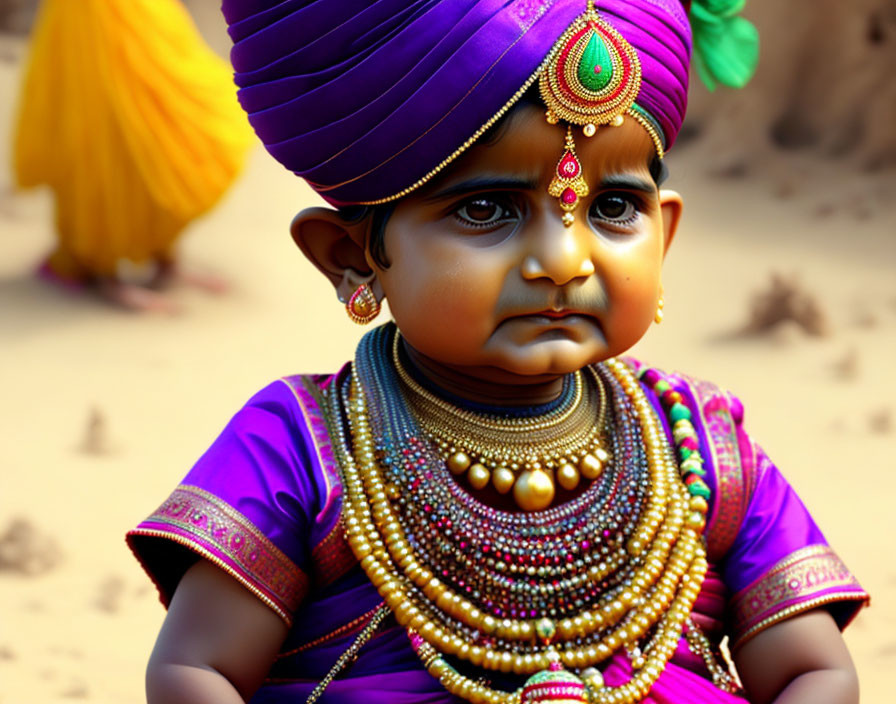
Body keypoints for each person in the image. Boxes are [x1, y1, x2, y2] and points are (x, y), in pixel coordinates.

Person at [127, 1, 869, 702]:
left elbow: (813, 672)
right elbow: (197, 669)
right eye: (486, 209)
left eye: (613, 208)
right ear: (349, 257)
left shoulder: (703, 447)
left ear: (665, 234)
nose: (564, 259)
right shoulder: (304, 446)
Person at [12, 0, 253, 312]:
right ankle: (104, 270)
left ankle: (164, 257)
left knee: (164, 108)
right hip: (90, 15)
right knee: (109, 117)